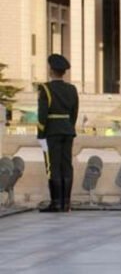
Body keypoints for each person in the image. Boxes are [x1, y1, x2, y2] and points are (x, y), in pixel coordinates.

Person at [37, 53, 79, 213]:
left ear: (51, 70)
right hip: (68, 131)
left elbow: (42, 115)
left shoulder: (45, 89)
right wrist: (68, 126)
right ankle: (66, 203)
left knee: (52, 166)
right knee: (66, 165)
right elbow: (74, 113)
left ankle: (56, 203)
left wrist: (41, 134)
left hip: (52, 132)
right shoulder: (71, 89)